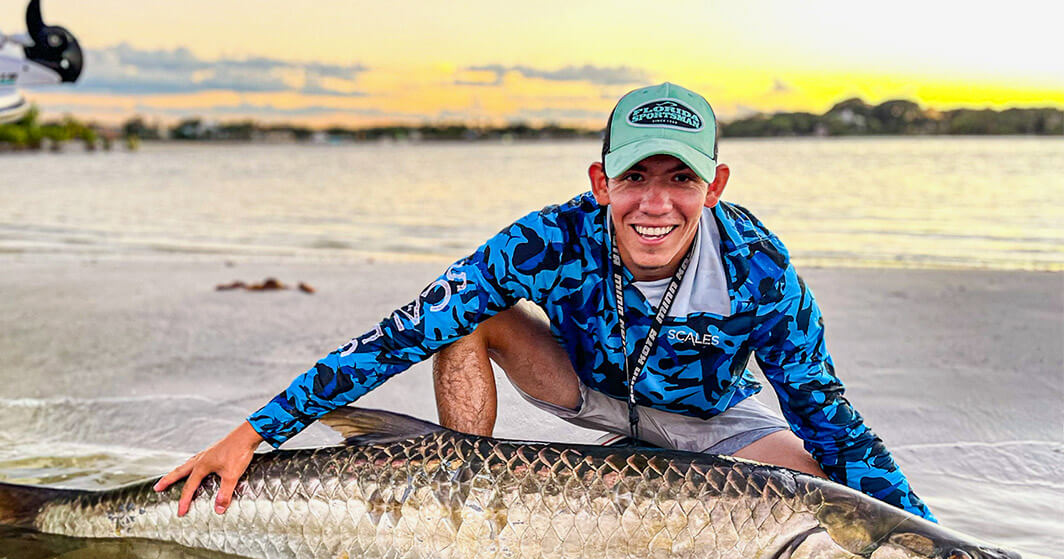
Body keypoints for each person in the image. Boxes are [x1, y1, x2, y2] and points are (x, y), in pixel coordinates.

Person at [155, 82, 935, 522]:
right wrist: (254, 434)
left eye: (680, 181)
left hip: (712, 422)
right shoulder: (547, 239)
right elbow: (402, 334)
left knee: (820, 505)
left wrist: (928, 536)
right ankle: (460, 484)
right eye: (635, 178)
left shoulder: (759, 268)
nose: (655, 205)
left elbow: (829, 415)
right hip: (584, 390)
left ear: (714, 186)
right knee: (465, 312)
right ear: (602, 182)